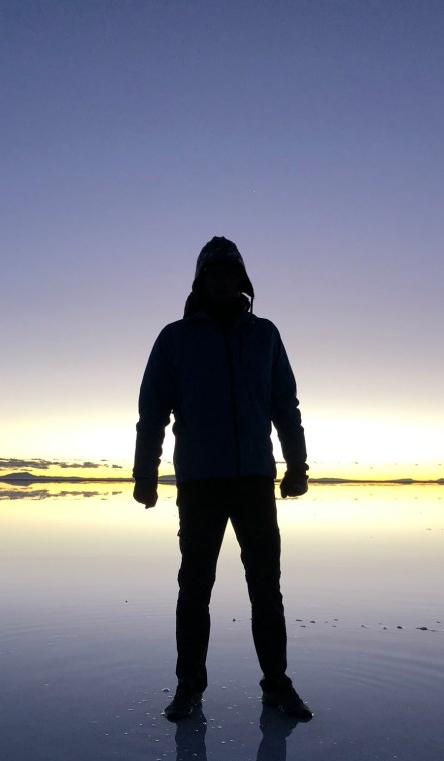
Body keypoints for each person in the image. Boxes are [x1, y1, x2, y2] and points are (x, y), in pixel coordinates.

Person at [133, 236, 312, 722]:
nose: (222, 280)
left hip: (254, 479)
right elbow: (153, 412)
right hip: (200, 484)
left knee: (266, 590)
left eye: (230, 273)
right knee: (195, 588)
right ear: (200, 280)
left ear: (242, 280)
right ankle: (189, 686)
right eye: (214, 273)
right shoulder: (175, 339)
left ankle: (276, 684)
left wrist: (297, 467)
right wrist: (145, 474)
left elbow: (284, 406)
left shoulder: (266, 335)